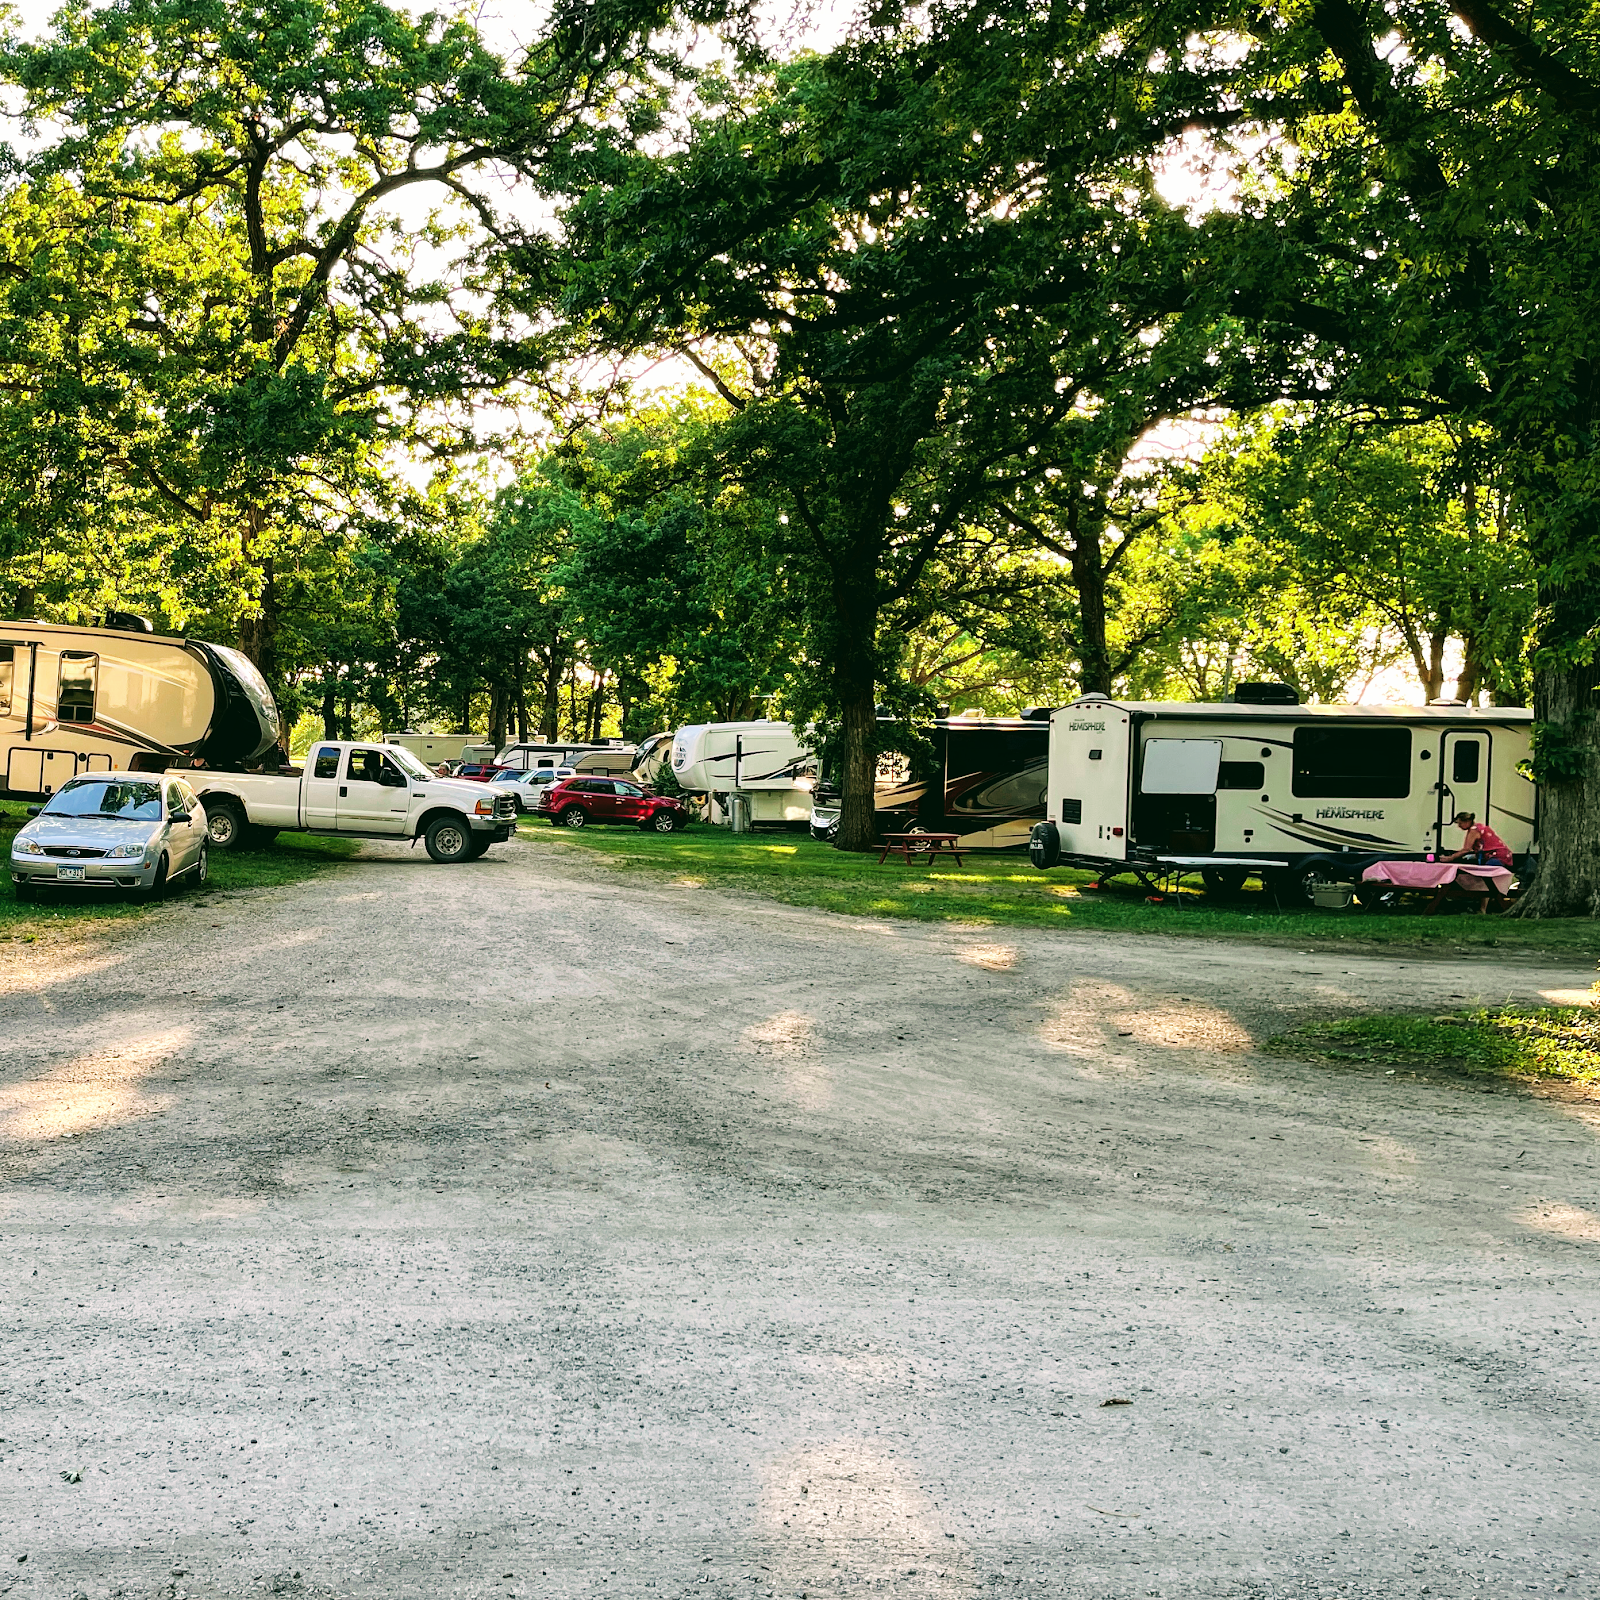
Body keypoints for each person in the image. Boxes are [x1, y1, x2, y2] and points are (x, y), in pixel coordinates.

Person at [1443, 810, 1513, 867]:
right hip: (1503, 855)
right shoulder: (1480, 827)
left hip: (1496, 856)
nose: (1459, 826)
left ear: (1467, 821)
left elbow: (1466, 849)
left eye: (1460, 823)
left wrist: (1451, 858)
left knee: (1486, 874)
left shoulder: (1474, 830)